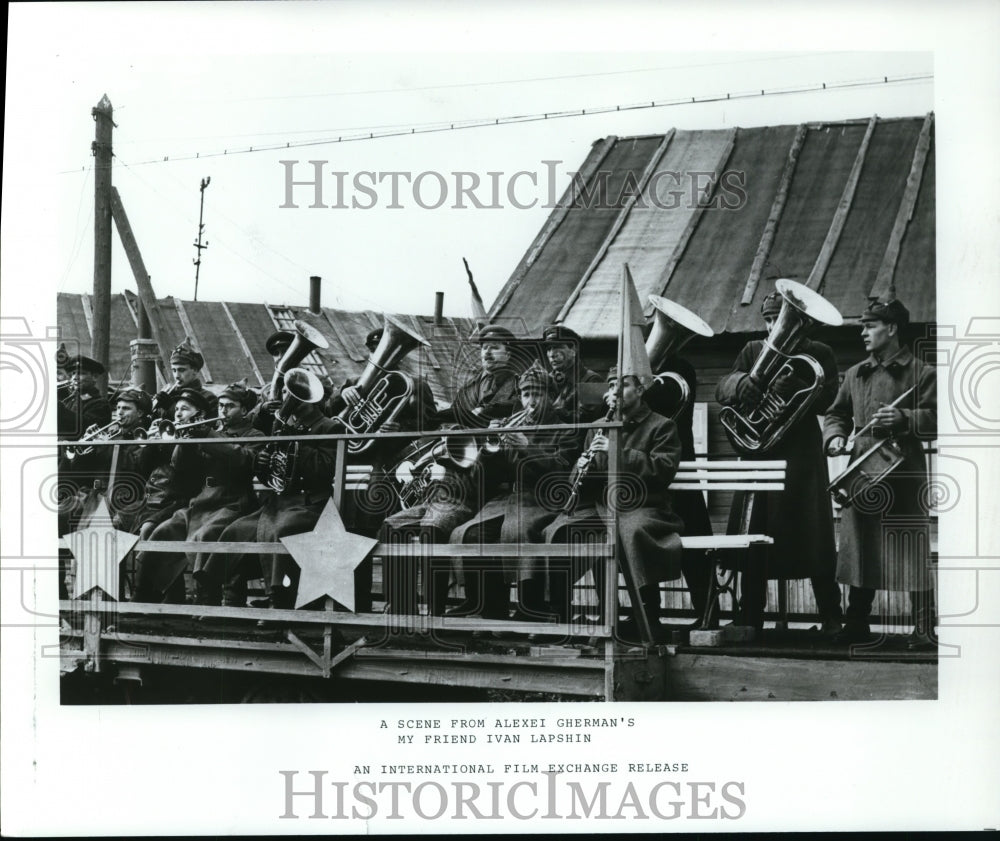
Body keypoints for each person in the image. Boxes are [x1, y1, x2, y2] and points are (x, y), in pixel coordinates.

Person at [715, 290, 844, 636]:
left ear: (804, 324)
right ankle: (750, 615)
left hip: (801, 459)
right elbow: (721, 386)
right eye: (770, 320)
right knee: (754, 533)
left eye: (780, 320)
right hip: (760, 455)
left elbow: (830, 397)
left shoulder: (820, 354)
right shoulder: (752, 351)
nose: (775, 328)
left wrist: (803, 384)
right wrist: (742, 384)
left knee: (814, 535)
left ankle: (832, 616)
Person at [379, 325, 524, 617]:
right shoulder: (471, 387)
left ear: (509, 352)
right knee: (391, 526)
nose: (486, 351)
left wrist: (464, 428)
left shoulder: (518, 388)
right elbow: (445, 417)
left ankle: (434, 614)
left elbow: (491, 424)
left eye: (495, 346)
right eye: (484, 346)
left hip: (478, 485)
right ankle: (401, 609)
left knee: (433, 529)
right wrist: (404, 426)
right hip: (444, 486)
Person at [823, 296, 937, 650]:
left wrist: (905, 419)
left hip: (904, 473)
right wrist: (836, 436)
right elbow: (836, 413)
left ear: (892, 328)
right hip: (863, 471)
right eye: (862, 326)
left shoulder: (923, 372)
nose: (863, 333)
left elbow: (938, 420)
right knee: (861, 546)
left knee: (910, 549)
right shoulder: (856, 373)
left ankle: (923, 629)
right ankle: (857, 623)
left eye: (870, 326)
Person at [543, 367, 685, 643]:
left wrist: (616, 451)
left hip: (645, 505)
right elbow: (587, 481)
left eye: (624, 385)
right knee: (557, 531)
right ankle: (561, 619)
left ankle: (647, 619)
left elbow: (661, 472)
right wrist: (582, 468)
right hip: (602, 506)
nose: (615, 391)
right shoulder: (599, 426)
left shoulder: (661, 425)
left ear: (641, 390)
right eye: (611, 385)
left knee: (630, 533)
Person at [448, 367, 579, 625]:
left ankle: (532, 608)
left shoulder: (567, 428)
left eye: (537, 394)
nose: (530, 401)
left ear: (551, 397)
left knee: (519, 532)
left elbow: (562, 471)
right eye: (525, 394)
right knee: (469, 533)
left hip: (544, 499)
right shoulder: (513, 426)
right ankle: (487, 611)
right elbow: (484, 479)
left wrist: (527, 447)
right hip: (509, 500)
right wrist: (489, 449)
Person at [204, 371, 339, 613]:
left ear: (315, 399)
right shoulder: (283, 425)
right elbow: (271, 475)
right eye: (287, 392)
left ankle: (280, 602)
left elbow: (323, 470)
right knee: (235, 530)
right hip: (280, 502)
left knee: (282, 531)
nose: (289, 398)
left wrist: (294, 443)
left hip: (311, 503)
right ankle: (230, 602)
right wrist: (264, 463)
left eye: (295, 393)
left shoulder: (330, 427)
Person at [132, 381, 265, 605]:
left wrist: (208, 435)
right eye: (221, 406)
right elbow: (181, 466)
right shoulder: (211, 432)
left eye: (229, 406)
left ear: (243, 410)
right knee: (164, 531)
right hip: (201, 503)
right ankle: (147, 595)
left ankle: (207, 600)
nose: (222, 411)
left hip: (232, 502)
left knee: (204, 535)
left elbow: (242, 460)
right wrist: (187, 441)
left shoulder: (254, 434)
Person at [529, 324, 603, 421]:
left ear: (573, 349)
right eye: (548, 349)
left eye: (557, 347)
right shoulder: (546, 380)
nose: (551, 354)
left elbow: (586, 419)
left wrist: (550, 411)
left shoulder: (593, 380)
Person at [151, 337, 215, 420]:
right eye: (174, 370)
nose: (176, 375)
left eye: (181, 370)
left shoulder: (208, 398)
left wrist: (170, 407)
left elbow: (200, 427)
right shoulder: (169, 394)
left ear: (195, 370)